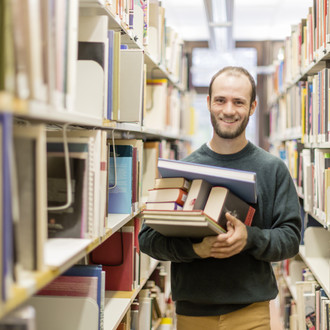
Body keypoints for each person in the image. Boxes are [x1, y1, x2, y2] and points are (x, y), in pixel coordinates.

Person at [138, 66, 302, 330]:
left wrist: (250, 238)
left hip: (252, 313)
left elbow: (291, 239)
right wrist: (195, 250)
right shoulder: (183, 170)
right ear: (208, 103)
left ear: (252, 107)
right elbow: (147, 240)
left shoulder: (273, 170)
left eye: (239, 102)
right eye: (220, 100)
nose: (228, 110)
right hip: (193, 315)